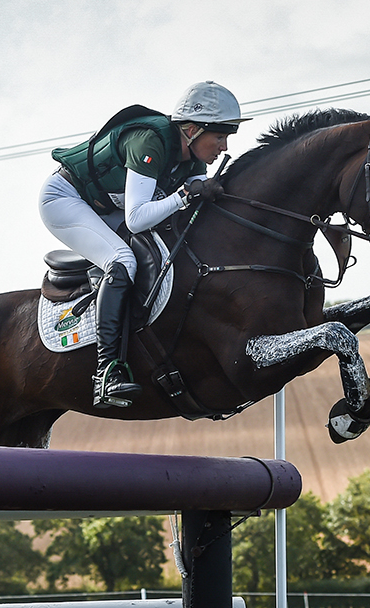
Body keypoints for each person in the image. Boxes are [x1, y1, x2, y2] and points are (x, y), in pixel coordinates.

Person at [40, 81, 249, 409]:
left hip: (108, 208)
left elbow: (194, 186)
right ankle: (106, 372)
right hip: (65, 199)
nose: (222, 147)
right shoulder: (149, 141)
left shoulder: (190, 156)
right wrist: (184, 196)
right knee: (122, 260)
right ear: (192, 130)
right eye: (219, 137)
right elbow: (137, 218)